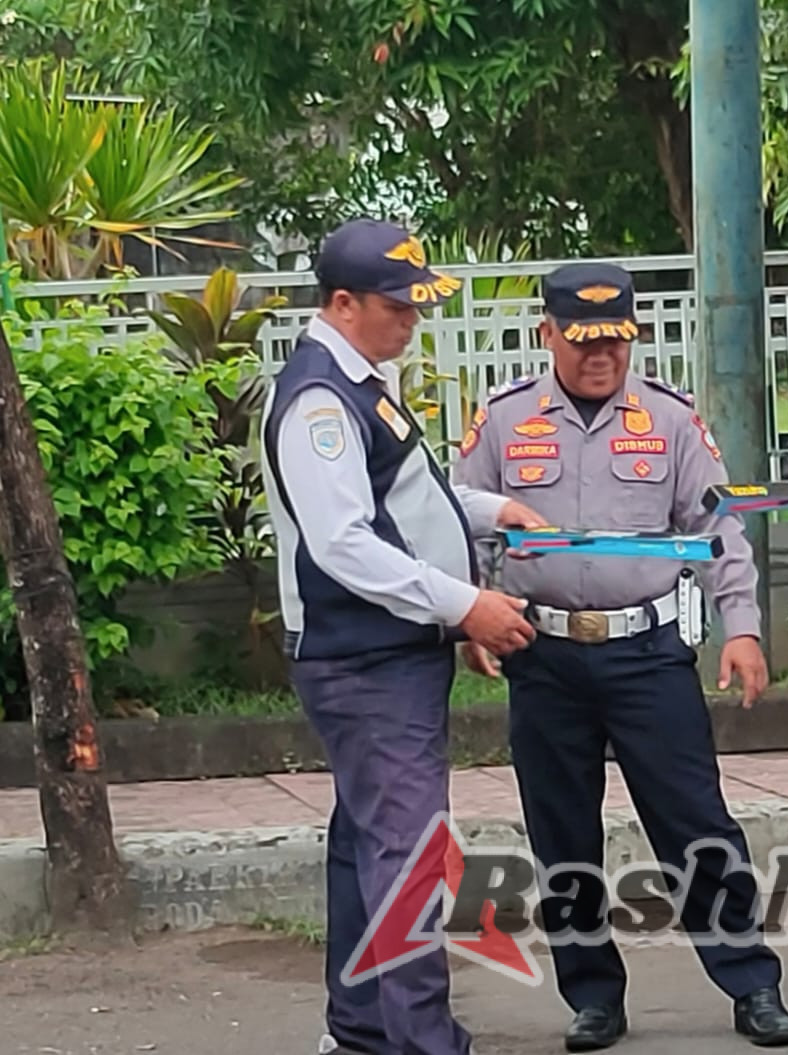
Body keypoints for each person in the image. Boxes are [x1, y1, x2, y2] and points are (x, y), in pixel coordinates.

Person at [450, 261, 788, 1051]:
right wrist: (471, 615)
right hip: (542, 652)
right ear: (548, 334)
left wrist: (741, 625)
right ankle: (594, 996)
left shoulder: (670, 420)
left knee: (695, 820)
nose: (601, 356)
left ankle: (751, 981)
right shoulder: (505, 420)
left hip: (646, 650)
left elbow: (718, 530)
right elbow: (456, 518)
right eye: (582, 341)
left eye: (615, 340)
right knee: (562, 832)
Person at [260, 217, 545, 1055]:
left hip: (386, 653)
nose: (412, 321)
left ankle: (362, 1029)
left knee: (366, 845)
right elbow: (345, 541)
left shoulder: (360, 379)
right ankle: (419, 1040)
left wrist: (492, 511)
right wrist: (465, 606)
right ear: (342, 304)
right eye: (398, 307)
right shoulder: (321, 398)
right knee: (410, 853)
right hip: (366, 659)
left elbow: (408, 501)